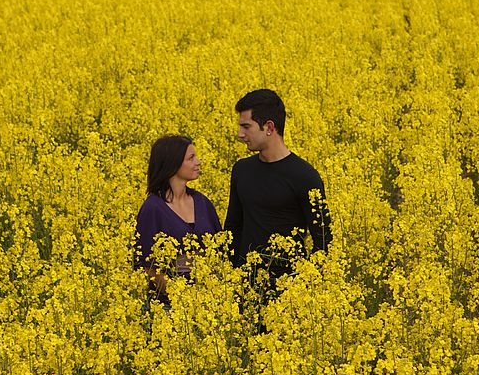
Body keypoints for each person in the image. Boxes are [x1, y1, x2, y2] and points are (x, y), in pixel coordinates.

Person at [224, 89, 332, 281]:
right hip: (244, 287)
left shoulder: (305, 177)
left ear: (269, 127)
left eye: (246, 126)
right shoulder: (241, 170)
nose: (240, 134)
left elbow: (323, 240)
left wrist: (299, 282)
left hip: (287, 293)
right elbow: (233, 228)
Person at [135, 134, 222, 306]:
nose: (198, 162)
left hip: (209, 303)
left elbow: (220, 250)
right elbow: (147, 267)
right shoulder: (153, 208)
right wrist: (183, 299)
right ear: (172, 164)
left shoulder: (202, 202)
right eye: (191, 158)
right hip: (168, 307)